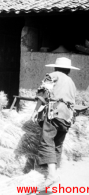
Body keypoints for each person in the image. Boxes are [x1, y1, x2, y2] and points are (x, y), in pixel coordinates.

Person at [31, 57, 80, 189]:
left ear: (55, 68)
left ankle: (51, 176)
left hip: (54, 113)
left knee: (46, 142)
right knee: (57, 144)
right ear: (69, 70)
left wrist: (36, 111)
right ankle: (54, 174)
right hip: (67, 117)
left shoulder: (52, 75)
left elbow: (43, 93)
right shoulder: (71, 82)